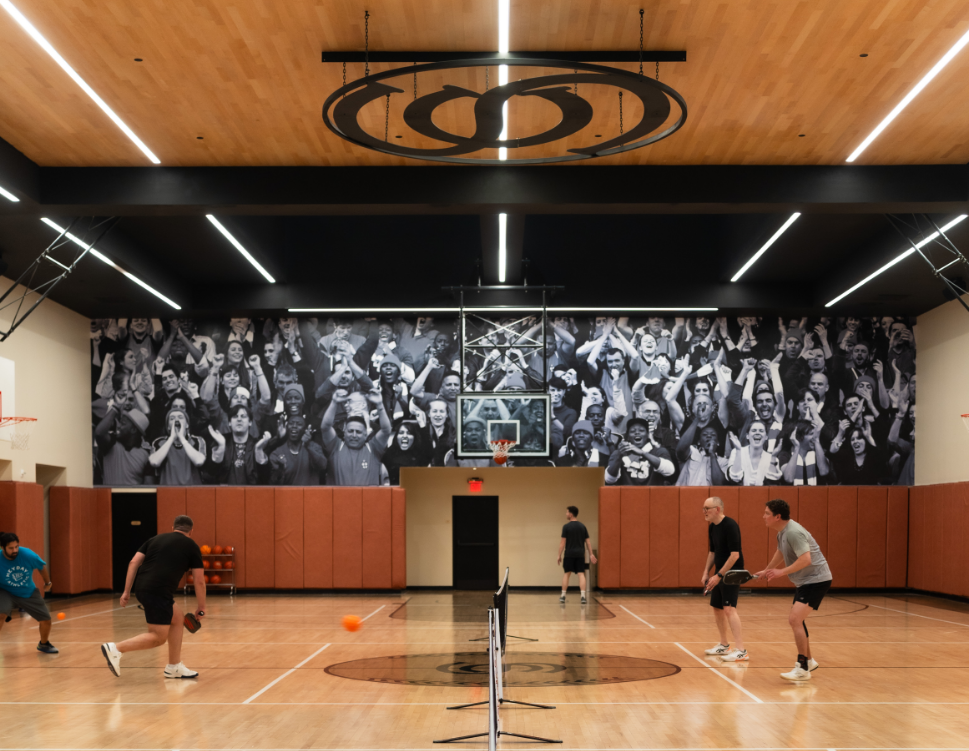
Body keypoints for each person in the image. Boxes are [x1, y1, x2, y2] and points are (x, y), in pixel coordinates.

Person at [101, 515, 206, 678]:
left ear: (173, 528)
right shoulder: (192, 546)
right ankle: (116, 648)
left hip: (142, 587)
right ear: (191, 531)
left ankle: (174, 666)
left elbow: (133, 562)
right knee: (158, 637)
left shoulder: (155, 539)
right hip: (158, 591)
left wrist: (126, 591)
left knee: (177, 618)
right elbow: (199, 581)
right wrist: (201, 607)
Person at [755, 499, 832, 682]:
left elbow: (806, 559)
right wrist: (767, 570)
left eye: (767, 513)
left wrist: (781, 572)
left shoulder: (794, 532)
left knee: (795, 619)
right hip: (805, 582)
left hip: (816, 580)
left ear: (777, 516)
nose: (763, 516)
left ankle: (802, 667)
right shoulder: (783, 533)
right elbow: (781, 552)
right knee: (798, 620)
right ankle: (809, 660)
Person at [700, 497, 747, 662]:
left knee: (729, 608)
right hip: (719, 573)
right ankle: (724, 644)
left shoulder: (730, 525)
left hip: (732, 573)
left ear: (718, 509)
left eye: (707, 508)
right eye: (703, 508)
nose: (704, 511)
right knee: (717, 608)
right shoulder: (712, 527)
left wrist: (719, 575)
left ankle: (741, 650)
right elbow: (712, 552)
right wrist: (707, 571)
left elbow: (735, 555)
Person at [0, 532, 57, 653]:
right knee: (1, 615)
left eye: (16, 547)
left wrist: (48, 583)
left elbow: (41, 567)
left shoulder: (28, 555)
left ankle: (44, 644)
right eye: (11, 548)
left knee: (46, 620)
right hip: (5, 591)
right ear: (2, 547)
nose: (15, 550)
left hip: (28, 591)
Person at [557, 506, 597, 604]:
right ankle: (583, 597)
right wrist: (591, 554)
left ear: (570, 514)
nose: (566, 514)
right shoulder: (582, 526)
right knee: (581, 574)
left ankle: (563, 596)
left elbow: (562, 543)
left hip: (569, 554)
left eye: (567, 512)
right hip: (580, 554)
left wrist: (559, 555)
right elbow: (588, 542)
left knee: (567, 574)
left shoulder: (566, 527)